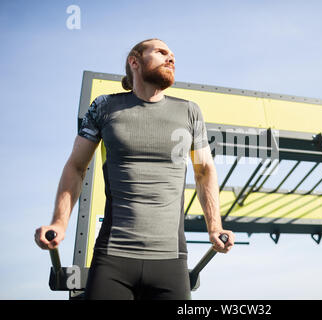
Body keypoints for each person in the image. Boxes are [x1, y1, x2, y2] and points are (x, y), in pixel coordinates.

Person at [34, 38, 235, 300]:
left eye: (172, 54)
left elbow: (204, 170)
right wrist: (60, 224)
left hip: (170, 259)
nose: (170, 58)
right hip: (113, 257)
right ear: (135, 61)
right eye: (161, 52)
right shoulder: (104, 106)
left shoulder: (189, 111)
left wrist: (214, 227)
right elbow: (76, 166)